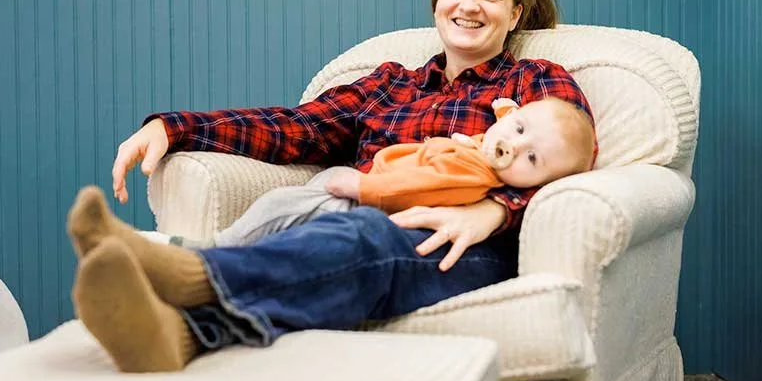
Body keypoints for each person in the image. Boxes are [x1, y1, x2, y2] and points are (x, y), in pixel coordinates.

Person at [67, 0, 595, 373]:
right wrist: (174, 127)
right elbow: (293, 128)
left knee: (363, 234)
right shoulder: (390, 84)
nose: (469, 5)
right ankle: (181, 336)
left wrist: (495, 210)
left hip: (460, 241)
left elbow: (573, 158)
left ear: (515, 13)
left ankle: (181, 266)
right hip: (358, 220)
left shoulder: (535, 81)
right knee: (327, 223)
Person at [191, 96, 595, 248]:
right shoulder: (492, 140)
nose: (515, 147)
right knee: (296, 202)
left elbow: (420, 184)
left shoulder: (474, 173)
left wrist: (365, 188)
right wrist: (182, 130)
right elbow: (301, 125)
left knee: (284, 209)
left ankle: (217, 250)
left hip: (373, 203)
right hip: (360, 182)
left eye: (531, 160)